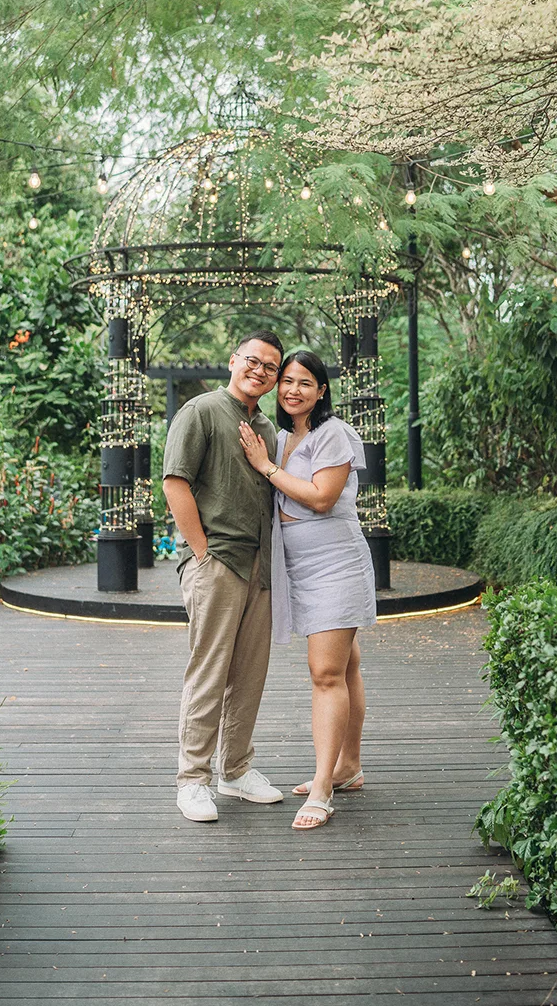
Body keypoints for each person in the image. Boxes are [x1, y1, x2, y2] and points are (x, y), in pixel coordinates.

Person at [239, 349, 375, 831]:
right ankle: (348, 767)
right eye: (287, 381)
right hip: (297, 566)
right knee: (346, 665)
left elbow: (321, 498)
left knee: (325, 672)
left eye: (305, 382)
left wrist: (266, 467)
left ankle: (322, 788)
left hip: (336, 563)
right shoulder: (281, 438)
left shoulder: (332, 434)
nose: (293, 389)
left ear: (321, 391)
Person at [162, 331, 286, 823]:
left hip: (260, 568)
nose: (260, 370)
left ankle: (235, 770)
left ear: (275, 379)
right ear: (233, 360)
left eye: (270, 367)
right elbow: (175, 482)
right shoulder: (200, 411)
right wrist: (202, 554)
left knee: (250, 676)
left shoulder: (268, 429)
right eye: (253, 361)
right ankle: (192, 780)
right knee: (209, 672)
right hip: (217, 563)